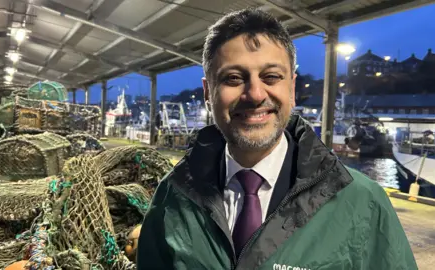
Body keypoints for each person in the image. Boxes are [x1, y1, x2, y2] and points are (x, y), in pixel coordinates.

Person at [137, 8, 416, 270]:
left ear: (292, 88)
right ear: (208, 92)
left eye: (271, 76)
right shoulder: (173, 195)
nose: (256, 94)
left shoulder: (361, 202)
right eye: (233, 78)